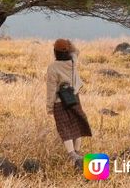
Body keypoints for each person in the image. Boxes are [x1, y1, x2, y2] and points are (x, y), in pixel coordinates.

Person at [46, 38, 92, 170]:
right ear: (68, 51)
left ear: (55, 52)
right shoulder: (73, 61)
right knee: (76, 123)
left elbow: (51, 90)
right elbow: (76, 51)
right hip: (74, 98)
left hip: (59, 101)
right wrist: (69, 44)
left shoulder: (53, 68)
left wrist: (49, 107)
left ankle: (72, 154)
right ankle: (77, 152)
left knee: (64, 127)